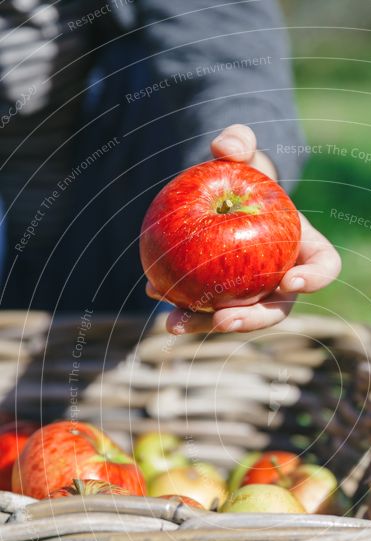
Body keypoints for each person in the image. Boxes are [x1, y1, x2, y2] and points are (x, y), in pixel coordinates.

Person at [0, 0, 340, 334]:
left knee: (140, 65)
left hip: (113, 200)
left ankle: (135, 337)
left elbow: (220, 24)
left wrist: (244, 159)